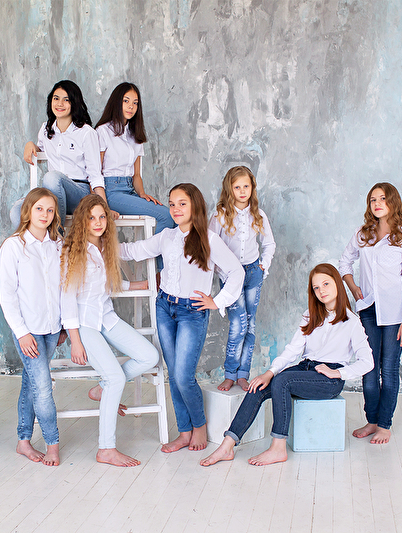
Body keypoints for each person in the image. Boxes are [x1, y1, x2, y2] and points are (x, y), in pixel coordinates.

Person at [200, 263, 374, 466]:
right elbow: (292, 350)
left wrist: (338, 373)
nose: (321, 291)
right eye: (316, 287)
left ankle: (278, 447)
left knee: (283, 381)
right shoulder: (310, 316)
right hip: (305, 369)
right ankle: (227, 446)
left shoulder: (352, 322)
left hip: (328, 379)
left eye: (326, 284)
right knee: (259, 386)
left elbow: (367, 362)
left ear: (337, 283)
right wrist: (269, 373)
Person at [119, 183, 244, 453]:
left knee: (184, 375)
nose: (175, 209)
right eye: (172, 204)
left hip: (192, 313)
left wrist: (217, 301)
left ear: (195, 206)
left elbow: (237, 272)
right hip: (165, 308)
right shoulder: (166, 236)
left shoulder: (209, 239)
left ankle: (199, 425)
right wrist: (98, 243)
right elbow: (133, 251)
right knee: (173, 376)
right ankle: (184, 432)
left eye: (182, 203)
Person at [61, 194, 159, 466]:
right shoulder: (73, 251)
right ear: (82, 221)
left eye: (102, 217)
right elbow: (67, 298)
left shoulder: (106, 247)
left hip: (106, 317)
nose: (97, 222)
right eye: (91, 217)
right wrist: (75, 340)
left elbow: (108, 285)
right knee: (116, 378)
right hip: (84, 323)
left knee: (149, 356)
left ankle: (101, 388)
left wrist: (140, 285)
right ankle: (106, 448)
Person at [339, 182, 402, 444]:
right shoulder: (363, 235)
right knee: (369, 367)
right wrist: (354, 288)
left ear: (393, 202)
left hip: (397, 314)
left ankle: (384, 424)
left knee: (389, 368)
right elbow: (344, 262)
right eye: (373, 199)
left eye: (382, 199)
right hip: (369, 310)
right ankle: (372, 420)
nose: (377, 204)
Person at [0, 188, 65, 466]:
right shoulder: (14, 246)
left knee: (31, 384)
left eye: (50, 210)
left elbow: (63, 288)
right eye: (39, 208)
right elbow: (7, 295)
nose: (45, 215)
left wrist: (62, 326)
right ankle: (52, 444)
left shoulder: (58, 245)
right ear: (28, 210)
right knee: (43, 388)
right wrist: (22, 333)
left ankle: (23, 441)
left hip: (52, 329)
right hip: (28, 331)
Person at [209, 166, 276, 392]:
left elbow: (269, 244)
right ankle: (230, 373)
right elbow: (210, 246)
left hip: (253, 273)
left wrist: (263, 265)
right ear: (229, 189)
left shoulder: (259, 215)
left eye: (246, 186)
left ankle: (242, 375)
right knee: (239, 324)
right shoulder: (219, 215)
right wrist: (221, 271)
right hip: (231, 276)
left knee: (250, 324)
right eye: (237, 187)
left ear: (252, 187)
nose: (242, 191)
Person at [13, 80, 113, 228]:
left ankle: (56, 238)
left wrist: (103, 207)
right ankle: (35, 243)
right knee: (17, 210)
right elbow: (40, 151)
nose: (60, 103)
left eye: (66, 100)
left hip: (79, 193)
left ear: (74, 103)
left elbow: (95, 175)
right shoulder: (46, 129)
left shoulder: (86, 133)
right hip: (52, 192)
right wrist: (30, 144)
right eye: (56, 98)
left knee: (52, 177)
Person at [96, 82, 174, 239]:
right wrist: (101, 204)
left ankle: (167, 256)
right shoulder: (103, 131)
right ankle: (158, 257)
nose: (131, 106)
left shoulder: (135, 135)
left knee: (173, 215)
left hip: (130, 190)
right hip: (110, 192)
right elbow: (95, 173)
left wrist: (142, 193)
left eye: (135, 103)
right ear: (116, 102)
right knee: (166, 215)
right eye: (126, 101)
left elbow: (136, 175)